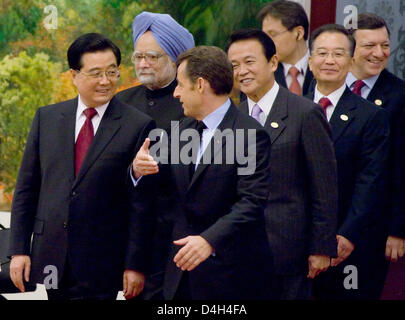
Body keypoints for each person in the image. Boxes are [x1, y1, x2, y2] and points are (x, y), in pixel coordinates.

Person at [7, 33, 155, 300]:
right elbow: (27, 189)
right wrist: (18, 250)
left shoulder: (137, 125)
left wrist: (135, 264)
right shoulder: (47, 118)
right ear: (74, 75)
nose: (105, 81)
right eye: (95, 73)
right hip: (52, 256)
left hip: (103, 261)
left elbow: (141, 203)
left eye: (112, 72)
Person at [133, 45, 274, 300]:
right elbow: (157, 182)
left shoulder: (251, 135)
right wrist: (137, 168)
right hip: (176, 274)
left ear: (200, 85)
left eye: (180, 85)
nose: (175, 94)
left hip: (229, 277)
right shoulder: (181, 130)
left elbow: (252, 202)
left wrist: (209, 240)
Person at [227, 29, 338, 300]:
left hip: (289, 251)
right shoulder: (232, 117)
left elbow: (324, 186)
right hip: (239, 251)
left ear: (273, 63)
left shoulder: (304, 113)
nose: (242, 71)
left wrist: (321, 247)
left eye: (250, 61)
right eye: (234, 65)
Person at [306, 24, 390, 299]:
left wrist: (347, 234)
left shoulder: (370, 116)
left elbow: (372, 180)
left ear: (351, 60)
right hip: (297, 240)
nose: (329, 61)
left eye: (338, 54)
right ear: (309, 60)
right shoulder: (291, 110)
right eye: (322, 53)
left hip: (347, 243)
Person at [116, 11, 195, 300]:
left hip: (178, 238)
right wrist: (133, 171)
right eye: (138, 57)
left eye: (153, 57)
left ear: (175, 58)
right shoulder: (122, 102)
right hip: (130, 238)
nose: (143, 64)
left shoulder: (193, 102)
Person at [347, 13, 405, 267]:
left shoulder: (400, 96)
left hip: (374, 228)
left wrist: (398, 229)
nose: (379, 53)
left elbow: (403, 167)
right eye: (369, 45)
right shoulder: (322, 85)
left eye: (385, 45)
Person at [258, 0, 314, 96]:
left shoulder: (324, 67)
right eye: (264, 36)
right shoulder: (261, 76)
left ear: (298, 33)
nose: (266, 42)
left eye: (273, 34)